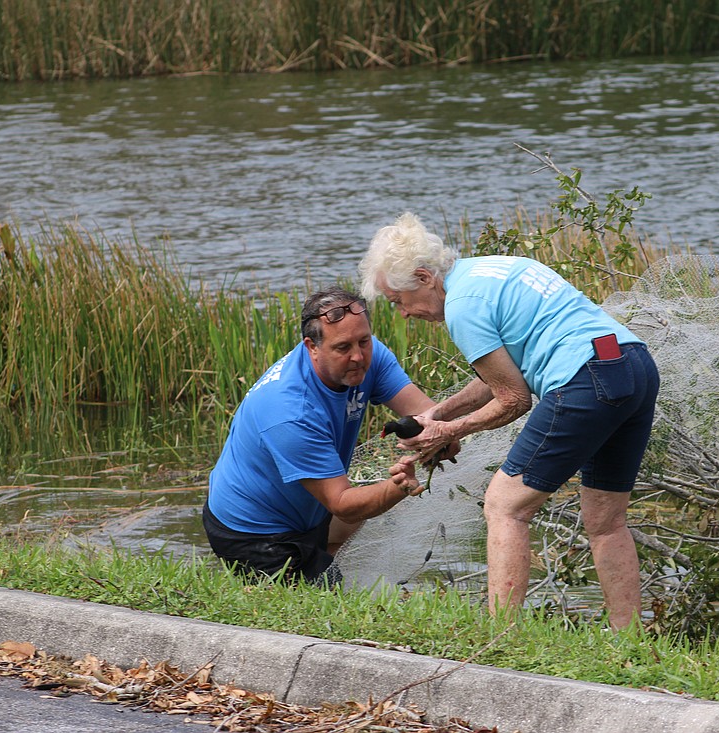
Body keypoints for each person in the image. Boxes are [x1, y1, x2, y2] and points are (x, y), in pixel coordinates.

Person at [358, 214, 660, 629]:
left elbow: (513, 400)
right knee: (606, 521)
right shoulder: (493, 268)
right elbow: (499, 377)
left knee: (505, 505)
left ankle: (502, 636)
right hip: (632, 365)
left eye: (398, 301)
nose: (404, 313)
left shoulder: (463, 307)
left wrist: (447, 432)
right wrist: (436, 414)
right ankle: (629, 638)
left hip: (584, 379)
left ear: (424, 277)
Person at [204, 286, 455, 586]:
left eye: (364, 341)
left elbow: (428, 414)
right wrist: (398, 487)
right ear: (312, 347)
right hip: (253, 531)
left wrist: (443, 434)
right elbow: (342, 504)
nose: (358, 357)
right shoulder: (289, 410)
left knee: (342, 562)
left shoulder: (370, 356)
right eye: (342, 347)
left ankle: (319, 560)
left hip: (309, 511)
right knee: (327, 597)